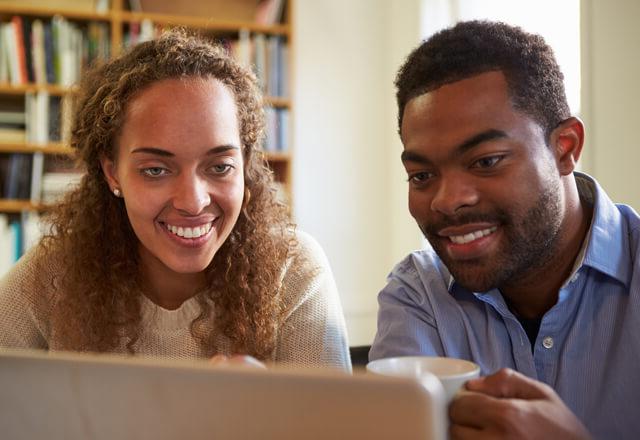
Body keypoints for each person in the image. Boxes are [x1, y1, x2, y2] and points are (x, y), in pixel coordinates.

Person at [0, 31, 351, 371]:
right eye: (155, 170)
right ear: (112, 173)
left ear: (245, 167)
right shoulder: (55, 275)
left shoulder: (291, 273)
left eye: (219, 166)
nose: (193, 202)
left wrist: (260, 414)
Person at [369, 20, 639, 439]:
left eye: (486, 161)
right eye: (421, 175)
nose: (446, 200)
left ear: (565, 148)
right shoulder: (418, 295)